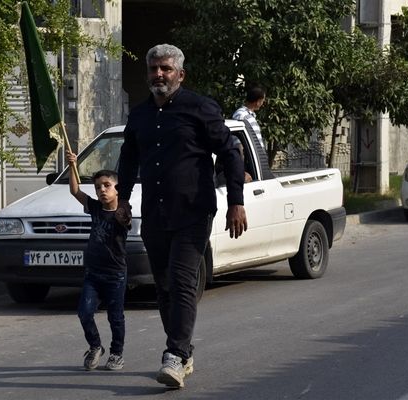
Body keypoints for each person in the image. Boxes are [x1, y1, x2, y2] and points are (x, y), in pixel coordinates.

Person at [115, 44, 248, 388]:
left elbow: (232, 153)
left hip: (193, 211)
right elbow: (128, 159)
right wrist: (123, 200)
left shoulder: (200, 108)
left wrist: (237, 201)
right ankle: (184, 351)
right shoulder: (140, 115)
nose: (159, 75)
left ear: (180, 74)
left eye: (166, 69)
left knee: (182, 280)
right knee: (163, 287)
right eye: (154, 69)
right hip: (155, 213)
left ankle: (173, 355)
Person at [66, 149, 130, 371]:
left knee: (115, 317)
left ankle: (116, 354)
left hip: (115, 275)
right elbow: (75, 190)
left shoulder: (123, 212)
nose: (102, 190)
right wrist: (72, 164)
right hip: (93, 274)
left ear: (116, 188)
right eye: (98, 187)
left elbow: (126, 219)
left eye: (106, 185)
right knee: (84, 312)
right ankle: (95, 346)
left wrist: (123, 211)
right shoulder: (94, 208)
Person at [232, 84, 266, 151]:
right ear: (258, 101)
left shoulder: (249, 116)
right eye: (262, 101)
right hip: (248, 160)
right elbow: (238, 142)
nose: (262, 104)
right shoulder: (241, 115)